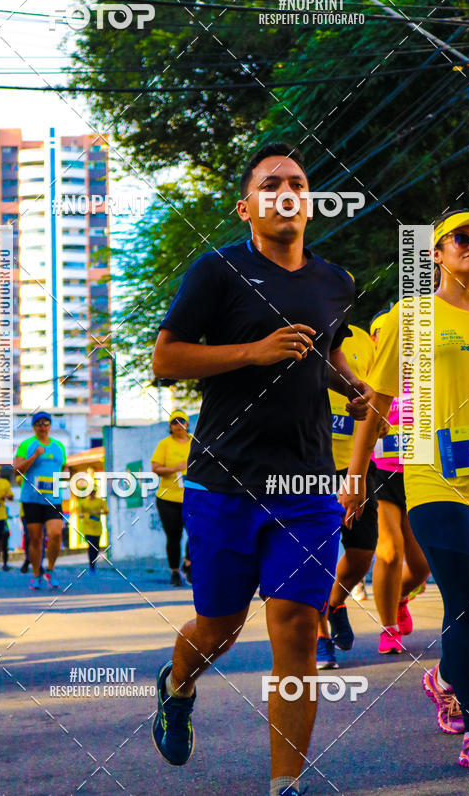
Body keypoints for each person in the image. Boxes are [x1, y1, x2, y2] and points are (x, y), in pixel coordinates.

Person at [150, 142, 371, 796]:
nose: (286, 191)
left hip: (305, 485)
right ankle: (178, 682)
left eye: (297, 183)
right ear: (248, 207)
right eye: (271, 183)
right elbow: (165, 361)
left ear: (309, 203)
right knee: (219, 627)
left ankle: (285, 785)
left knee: (299, 629)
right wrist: (252, 351)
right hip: (223, 480)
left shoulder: (335, 283)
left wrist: (349, 386)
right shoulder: (216, 273)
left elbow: (315, 355)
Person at [341, 209, 469, 773]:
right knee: (462, 597)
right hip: (433, 474)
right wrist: (356, 476)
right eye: (461, 237)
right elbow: (380, 401)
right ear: (435, 253)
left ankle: (444, 678)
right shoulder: (409, 318)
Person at [316, 324, 378, 670]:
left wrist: (378, 418)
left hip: (355, 464)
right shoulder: (296, 328)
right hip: (307, 465)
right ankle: (320, 638)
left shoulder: (361, 340)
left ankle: (335, 601)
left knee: (361, 553)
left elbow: (375, 392)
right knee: (311, 557)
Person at [368, 312, 429, 654]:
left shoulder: (424, 374)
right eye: (380, 334)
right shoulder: (368, 376)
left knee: (421, 565)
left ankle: (401, 595)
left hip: (419, 474)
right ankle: (388, 625)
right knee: (390, 551)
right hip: (381, 472)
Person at [14, 411, 67, 590]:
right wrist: (35, 456)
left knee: (56, 534)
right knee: (35, 539)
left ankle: (50, 569)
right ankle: (36, 573)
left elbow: (64, 468)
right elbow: (16, 470)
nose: (42, 427)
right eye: (38, 424)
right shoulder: (26, 445)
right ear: (33, 427)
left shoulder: (59, 446)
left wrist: (66, 476)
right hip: (32, 499)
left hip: (53, 498)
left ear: (50, 426)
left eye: (45, 423)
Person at [151, 410, 192, 586]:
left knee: (197, 533)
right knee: (173, 536)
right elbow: (155, 468)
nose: (178, 425)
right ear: (170, 426)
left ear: (187, 423)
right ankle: (175, 571)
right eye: (174, 422)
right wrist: (176, 468)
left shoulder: (196, 442)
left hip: (193, 497)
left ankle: (189, 564)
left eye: (181, 421)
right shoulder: (165, 444)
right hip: (168, 499)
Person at [77, 474, 109, 572]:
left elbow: (106, 511)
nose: (92, 494)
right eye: (91, 492)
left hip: (97, 527)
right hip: (87, 527)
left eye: (94, 492)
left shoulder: (100, 501)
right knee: (91, 546)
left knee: (96, 547)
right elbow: (79, 513)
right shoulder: (82, 502)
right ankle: (91, 565)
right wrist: (83, 515)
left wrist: (98, 512)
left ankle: (94, 562)